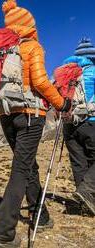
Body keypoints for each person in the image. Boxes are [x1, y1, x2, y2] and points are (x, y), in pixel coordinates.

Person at [0, 1, 71, 247]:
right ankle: (4, 234)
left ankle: (40, 215)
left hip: (6, 115)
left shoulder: (1, 50)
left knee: (27, 165)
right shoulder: (31, 46)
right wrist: (62, 104)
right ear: (29, 25)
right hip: (29, 115)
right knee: (22, 169)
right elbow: (40, 82)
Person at [62, 38, 95, 215]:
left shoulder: (64, 73)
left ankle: (85, 206)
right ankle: (86, 192)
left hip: (69, 124)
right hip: (91, 121)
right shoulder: (94, 71)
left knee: (78, 162)